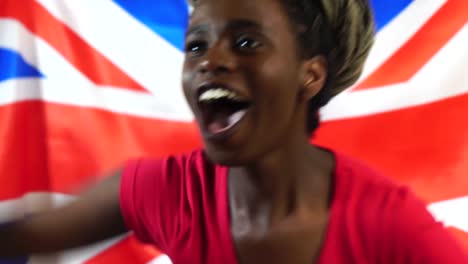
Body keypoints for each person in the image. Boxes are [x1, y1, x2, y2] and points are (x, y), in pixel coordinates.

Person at [1, 0, 467, 263]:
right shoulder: (171, 192)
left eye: (246, 42)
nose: (210, 61)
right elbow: (29, 234)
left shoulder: (386, 222)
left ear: (311, 74)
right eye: (197, 44)